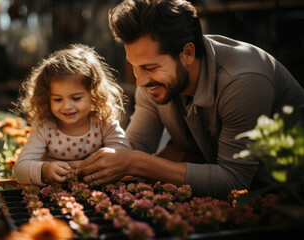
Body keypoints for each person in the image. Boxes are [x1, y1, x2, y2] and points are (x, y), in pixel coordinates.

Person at [77, 0, 304, 199]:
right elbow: (133, 149)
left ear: (187, 53)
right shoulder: (152, 83)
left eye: (150, 67)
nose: (140, 81)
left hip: (289, 201)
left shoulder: (243, 79)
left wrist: (138, 163)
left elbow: (235, 182)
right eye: (134, 67)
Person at [13, 44, 131, 186]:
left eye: (76, 98)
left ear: (94, 94)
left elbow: (123, 159)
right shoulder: (45, 127)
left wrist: (75, 165)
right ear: (46, 97)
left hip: (101, 195)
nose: (66, 106)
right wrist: (44, 170)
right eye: (57, 99)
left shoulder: (105, 123)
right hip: (55, 198)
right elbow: (19, 170)